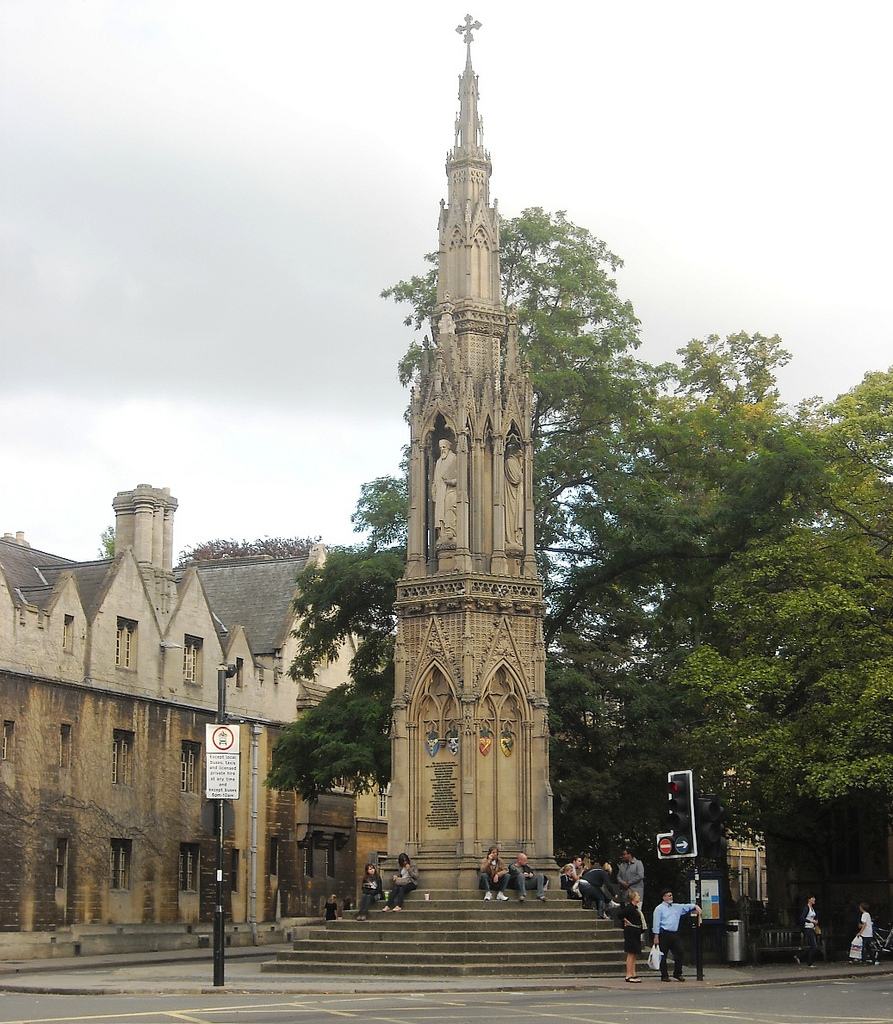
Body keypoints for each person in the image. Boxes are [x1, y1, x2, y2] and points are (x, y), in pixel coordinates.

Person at [652, 888, 702, 981]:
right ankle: (664, 975)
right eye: (669, 895)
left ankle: (677, 973)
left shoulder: (676, 907)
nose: (671, 897)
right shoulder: (659, 909)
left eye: (671, 895)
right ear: (664, 897)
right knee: (663, 955)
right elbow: (656, 923)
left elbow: (686, 907)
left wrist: (696, 906)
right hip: (664, 933)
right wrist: (656, 935)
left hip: (674, 933)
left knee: (680, 952)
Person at [432, 438, 458, 544]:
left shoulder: (454, 458)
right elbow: (435, 479)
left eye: (444, 447)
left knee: (450, 509)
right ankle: (442, 533)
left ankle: (451, 531)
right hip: (440, 492)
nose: (442, 450)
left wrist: (451, 481)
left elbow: (459, 477)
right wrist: (433, 491)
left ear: (448, 447)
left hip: (451, 490)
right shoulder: (438, 462)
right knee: (440, 513)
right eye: (440, 448)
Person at [621, 889, 648, 982]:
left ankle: (633, 972)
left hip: (635, 930)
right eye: (637, 896)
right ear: (633, 898)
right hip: (631, 931)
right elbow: (620, 914)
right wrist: (625, 920)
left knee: (634, 953)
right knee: (631, 953)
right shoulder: (630, 907)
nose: (639, 897)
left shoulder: (635, 908)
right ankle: (628, 974)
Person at [794, 894, 820, 967]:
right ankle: (809, 963)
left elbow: (814, 917)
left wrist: (816, 921)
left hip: (812, 928)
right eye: (812, 898)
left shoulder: (812, 908)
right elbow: (802, 918)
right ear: (809, 899)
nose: (814, 899)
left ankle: (799, 956)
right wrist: (811, 921)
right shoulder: (806, 908)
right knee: (814, 946)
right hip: (807, 928)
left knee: (813, 946)